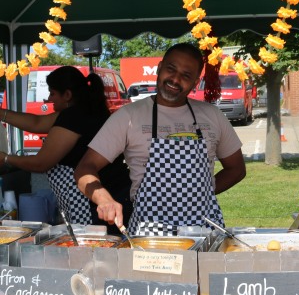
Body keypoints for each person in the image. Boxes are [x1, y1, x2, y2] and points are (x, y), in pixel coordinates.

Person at [75, 43, 246, 236]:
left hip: (203, 231)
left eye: (186, 75)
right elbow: (85, 168)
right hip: (150, 234)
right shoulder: (129, 116)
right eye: (171, 69)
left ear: (196, 82)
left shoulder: (212, 115)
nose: (175, 79)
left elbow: (236, 169)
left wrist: (201, 195)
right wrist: (103, 198)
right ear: (160, 67)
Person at [0, 66, 132, 233]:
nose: (49, 98)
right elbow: (36, 123)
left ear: (68, 95)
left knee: (94, 249)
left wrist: (6, 158)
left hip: (96, 203)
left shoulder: (74, 116)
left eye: (52, 93)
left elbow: (41, 163)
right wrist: (2, 114)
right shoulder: (87, 111)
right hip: (115, 195)